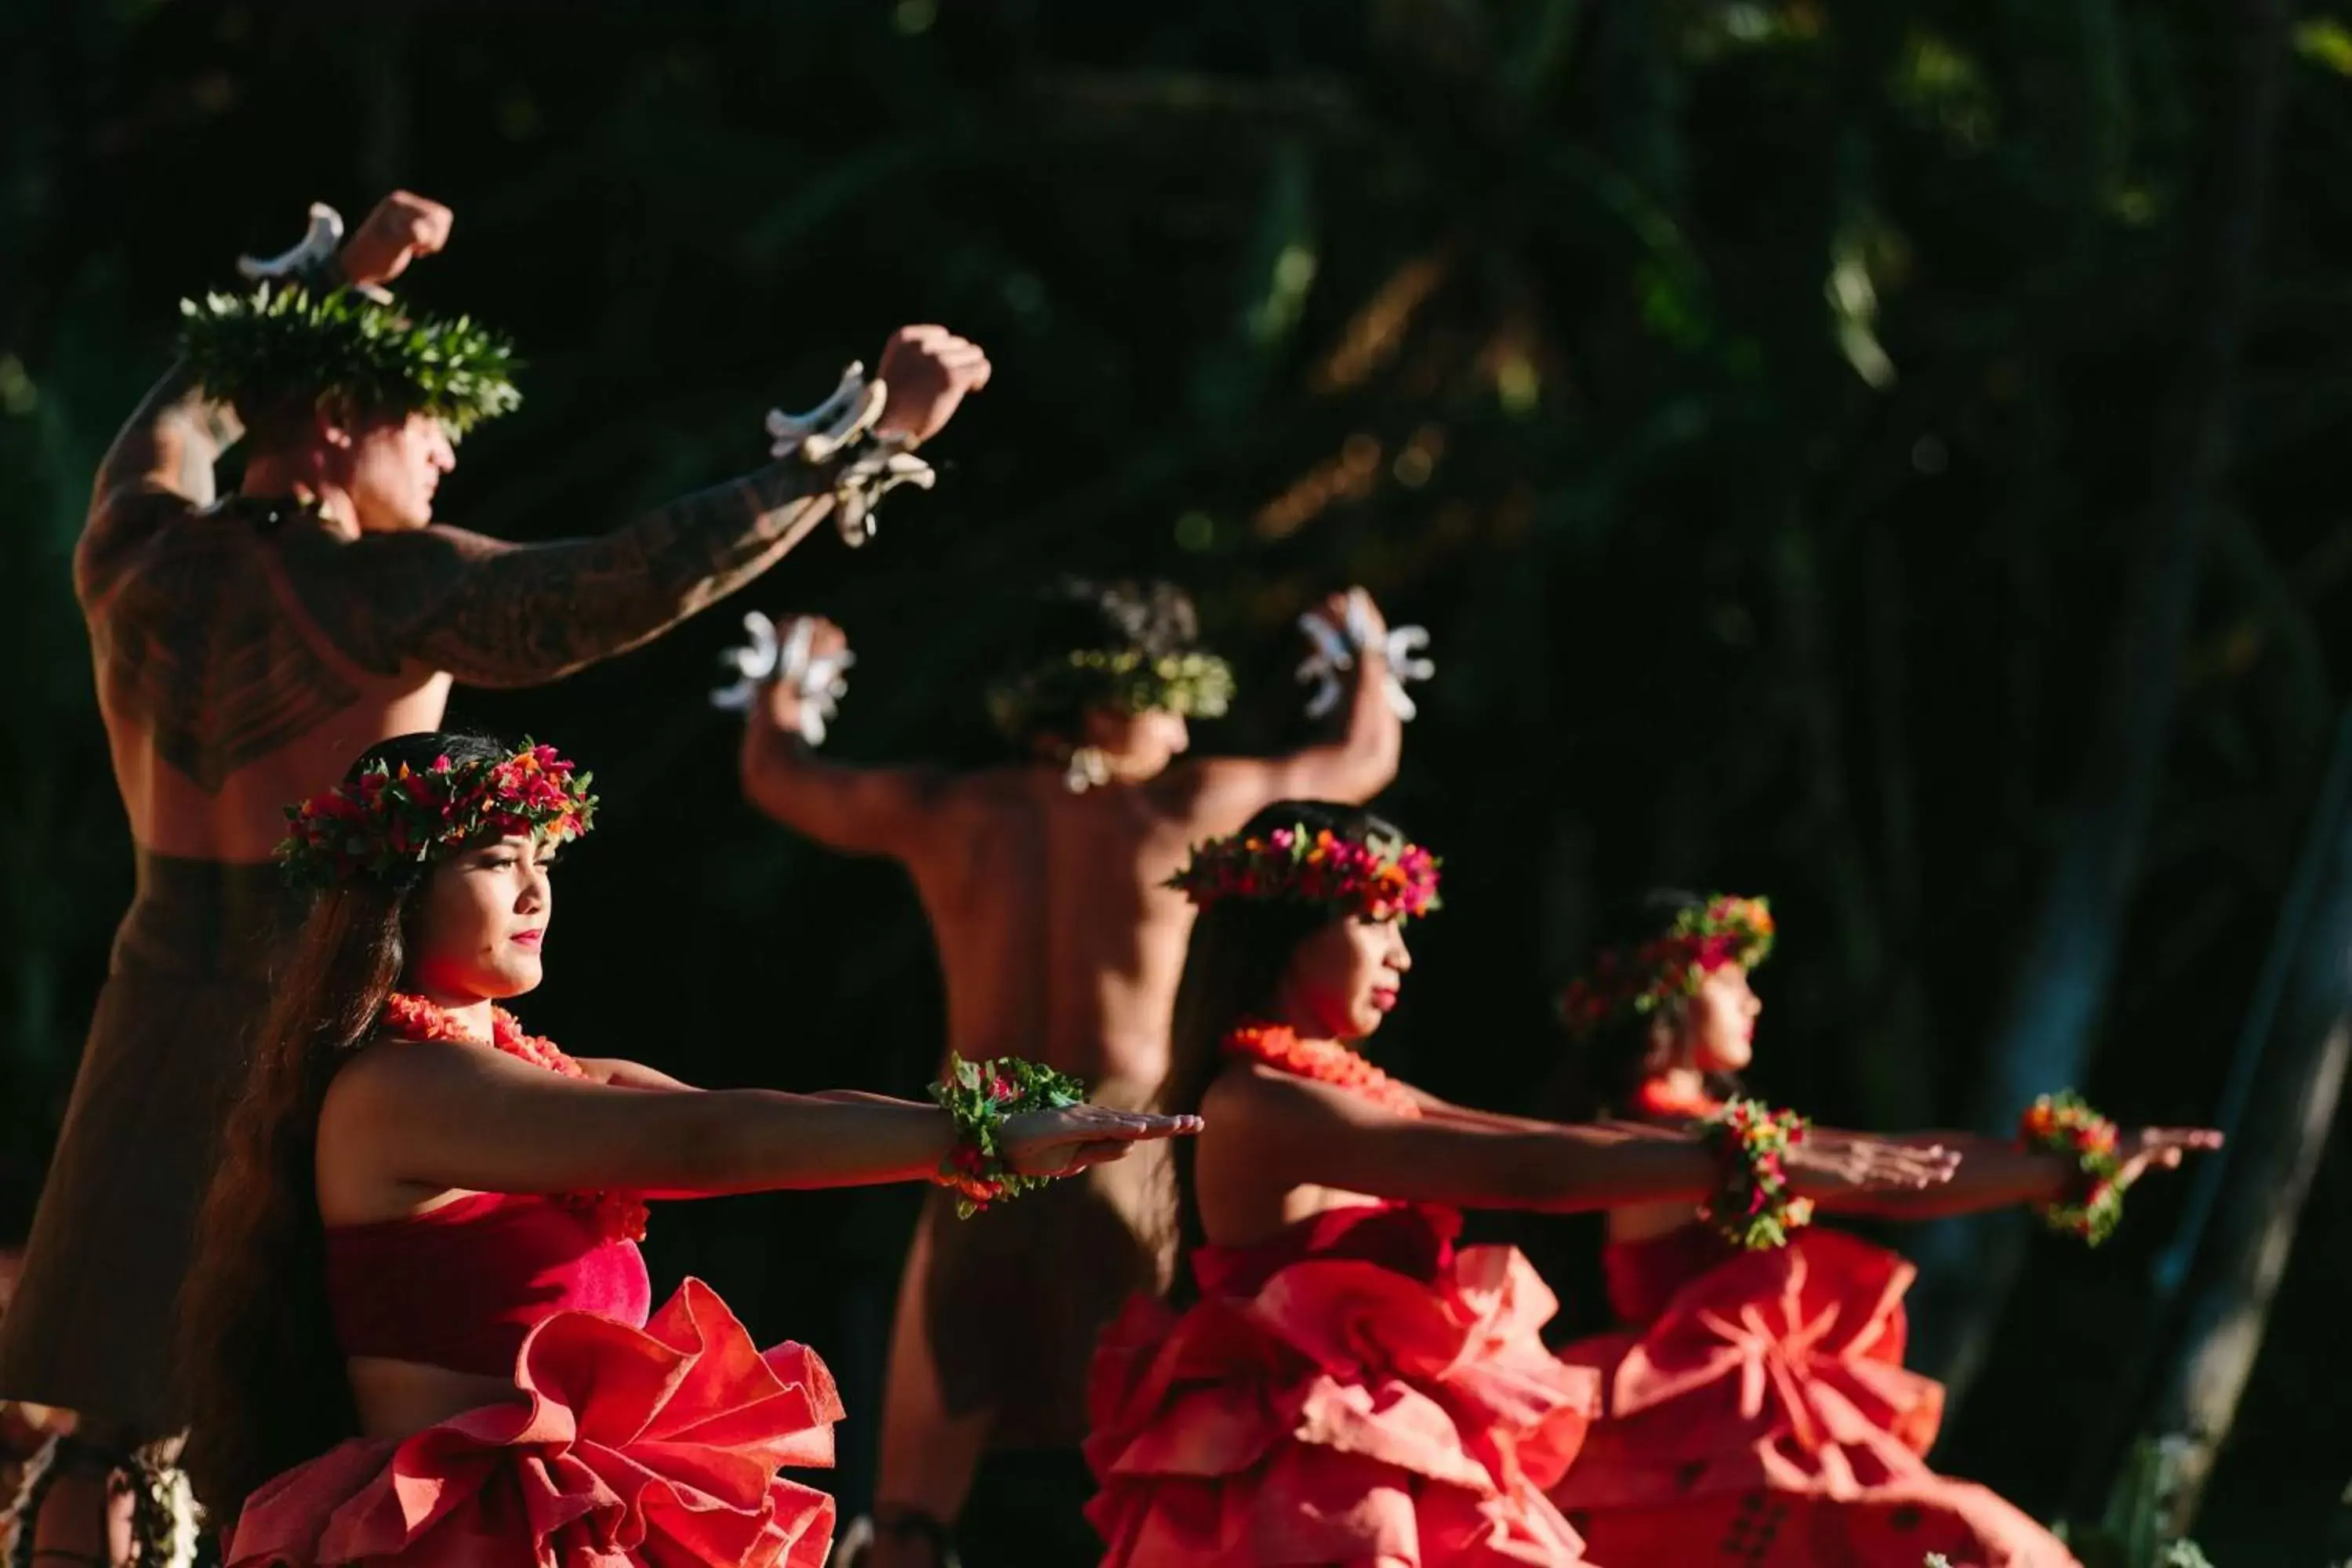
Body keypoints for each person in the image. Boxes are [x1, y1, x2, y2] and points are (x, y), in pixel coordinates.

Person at [0, 187, 989, 1567]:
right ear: (339, 431)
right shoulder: (385, 592)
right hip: (318, 1048)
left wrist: (337, 284)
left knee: (107, 1443)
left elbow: (181, 414)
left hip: (145, 1030)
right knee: (301, 1470)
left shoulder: (133, 545)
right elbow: (617, 585)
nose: (450, 451)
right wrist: (860, 445)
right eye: (426, 423)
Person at [165, 730, 1197, 1568]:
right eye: (494, 863)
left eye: (544, 862)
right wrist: (974, 1138)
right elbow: (704, 1141)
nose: (535, 895)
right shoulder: (401, 1088)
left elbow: (757, 1114)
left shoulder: (543, 1076)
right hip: (455, 1542)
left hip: (570, 1526)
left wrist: (986, 1129)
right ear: (395, 892)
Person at [1082, 805, 1959, 1566]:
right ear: (1286, 925)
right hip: (1308, 1468)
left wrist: (1747, 1143)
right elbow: (1525, 1171)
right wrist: (1746, 1158)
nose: (1402, 957)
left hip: (1384, 1441)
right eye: (1376, 923)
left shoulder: (1337, 1085)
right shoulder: (1258, 1102)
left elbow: (1537, 1137)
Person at [735, 583, 1409, 1567]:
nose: (1180, 734)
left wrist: (783, 683)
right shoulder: (1185, 807)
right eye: (1168, 703)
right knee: (1140, 1487)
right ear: (1104, 709)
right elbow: (1361, 758)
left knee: (913, 1524)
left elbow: (780, 774)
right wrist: (1366, 655)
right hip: (1120, 1162)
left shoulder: (948, 808)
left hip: (974, 1164)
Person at [1541, 891, 2221, 1567]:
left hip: (1747, 1424)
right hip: (1701, 1431)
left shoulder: (1694, 1129)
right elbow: (1885, 1181)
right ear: (1675, 988)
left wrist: (2071, 1167)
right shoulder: (1670, 1135)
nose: (1752, 1001)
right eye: (1733, 978)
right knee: (1979, 1543)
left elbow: (1883, 1163)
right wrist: (2062, 1172)